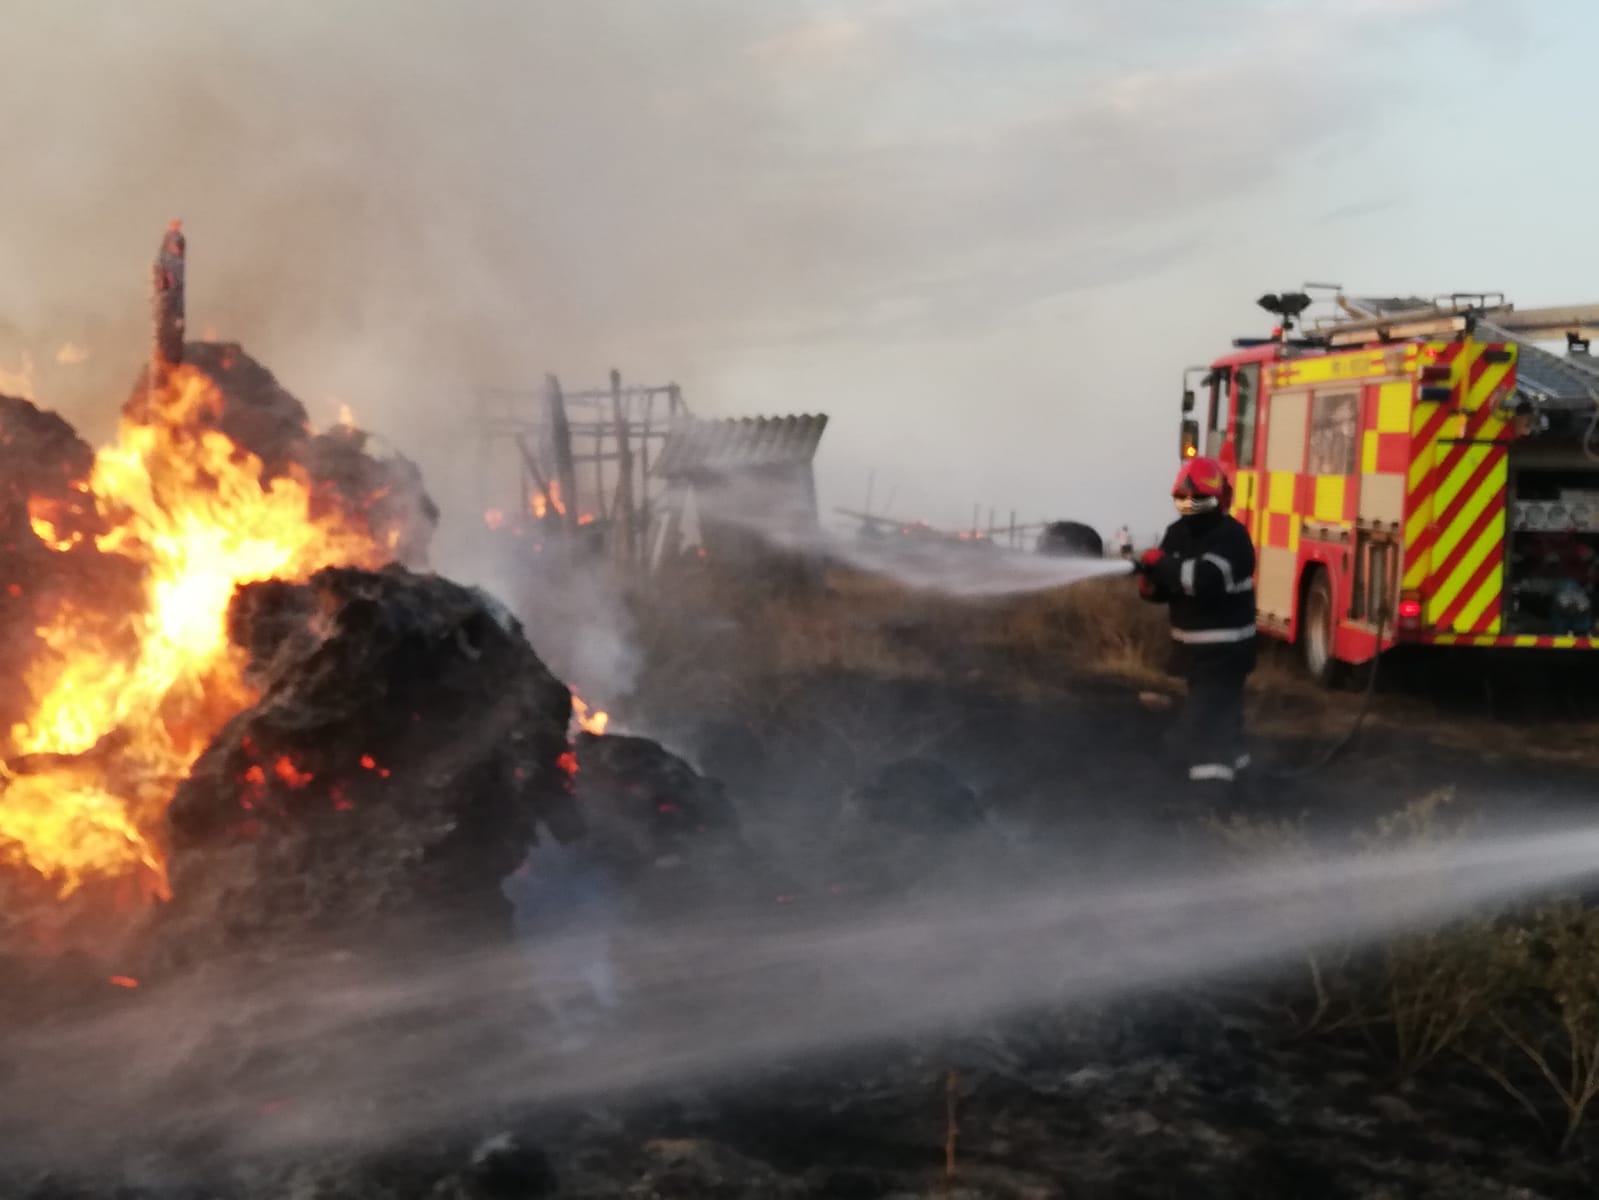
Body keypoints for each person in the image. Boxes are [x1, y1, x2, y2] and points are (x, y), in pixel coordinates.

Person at [1134, 456, 1257, 792]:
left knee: (1202, 728)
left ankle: (1207, 801)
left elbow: (1205, 579)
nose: (1189, 506)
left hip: (1226, 656)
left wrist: (1162, 566)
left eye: (1198, 499)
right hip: (1193, 656)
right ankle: (1245, 785)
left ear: (1218, 499)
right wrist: (1151, 585)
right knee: (1223, 722)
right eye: (1183, 499)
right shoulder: (1177, 534)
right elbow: (1169, 583)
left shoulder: (1233, 539)